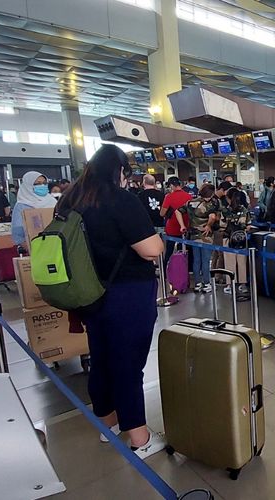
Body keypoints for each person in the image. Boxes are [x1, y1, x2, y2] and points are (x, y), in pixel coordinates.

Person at [57, 144, 164, 459]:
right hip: (127, 293)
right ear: (119, 170)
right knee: (129, 364)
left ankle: (107, 425)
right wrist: (157, 241)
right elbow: (151, 249)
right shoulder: (120, 199)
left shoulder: (70, 200)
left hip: (86, 294)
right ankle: (139, 437)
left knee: (102, 359)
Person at [180, 184, 220, 293]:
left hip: (193, 235)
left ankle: (197, 284)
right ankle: (206, 283)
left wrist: (182, 225)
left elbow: (177, 211)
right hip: (206, 236)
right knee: (206, 261)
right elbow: (212, 217)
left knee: (196, 260)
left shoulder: (191, 202)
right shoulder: (211, 203)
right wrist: (208, 225)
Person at [11, 172, 55, 246]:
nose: (42, 185)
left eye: (44, 183)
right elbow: (18, 233)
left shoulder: (52, 201)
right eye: (38, 183)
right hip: (35, 245)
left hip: (55, 242)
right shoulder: (22, 205)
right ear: (28, 185)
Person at [160, 177, 191, 267]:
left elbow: (162, 213)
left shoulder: (168, 197)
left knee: (169, 251)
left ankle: (166, 271)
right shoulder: (189, 196)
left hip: (172, 228)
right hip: (185, 227)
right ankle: (185, 270)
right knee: (184, 251)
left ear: (172, 186)